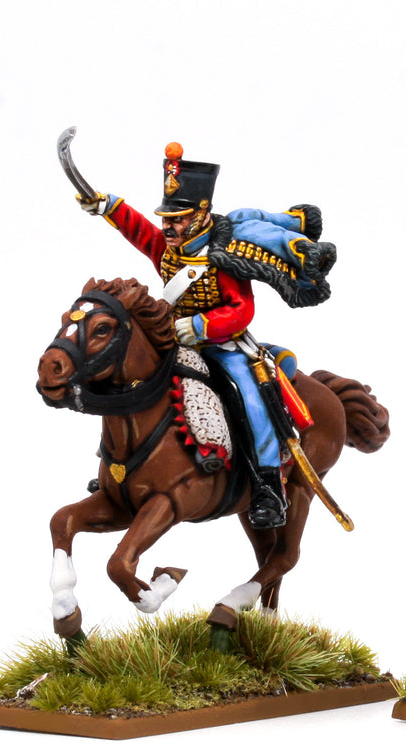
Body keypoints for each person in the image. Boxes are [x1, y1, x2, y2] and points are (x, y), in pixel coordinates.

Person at [78, 143, 334, 529]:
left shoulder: (224, 256)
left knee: (251, 400)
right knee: (130, 381)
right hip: (175, 344)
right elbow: (140, 231)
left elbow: (241, 309)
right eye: (167, 219)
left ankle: (268, 487)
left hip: (225, 347)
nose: (168, 227)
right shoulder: (168, 250)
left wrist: (200, 326)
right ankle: (122, 470)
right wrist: (108, 206)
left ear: (200, 214)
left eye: (178, 219)